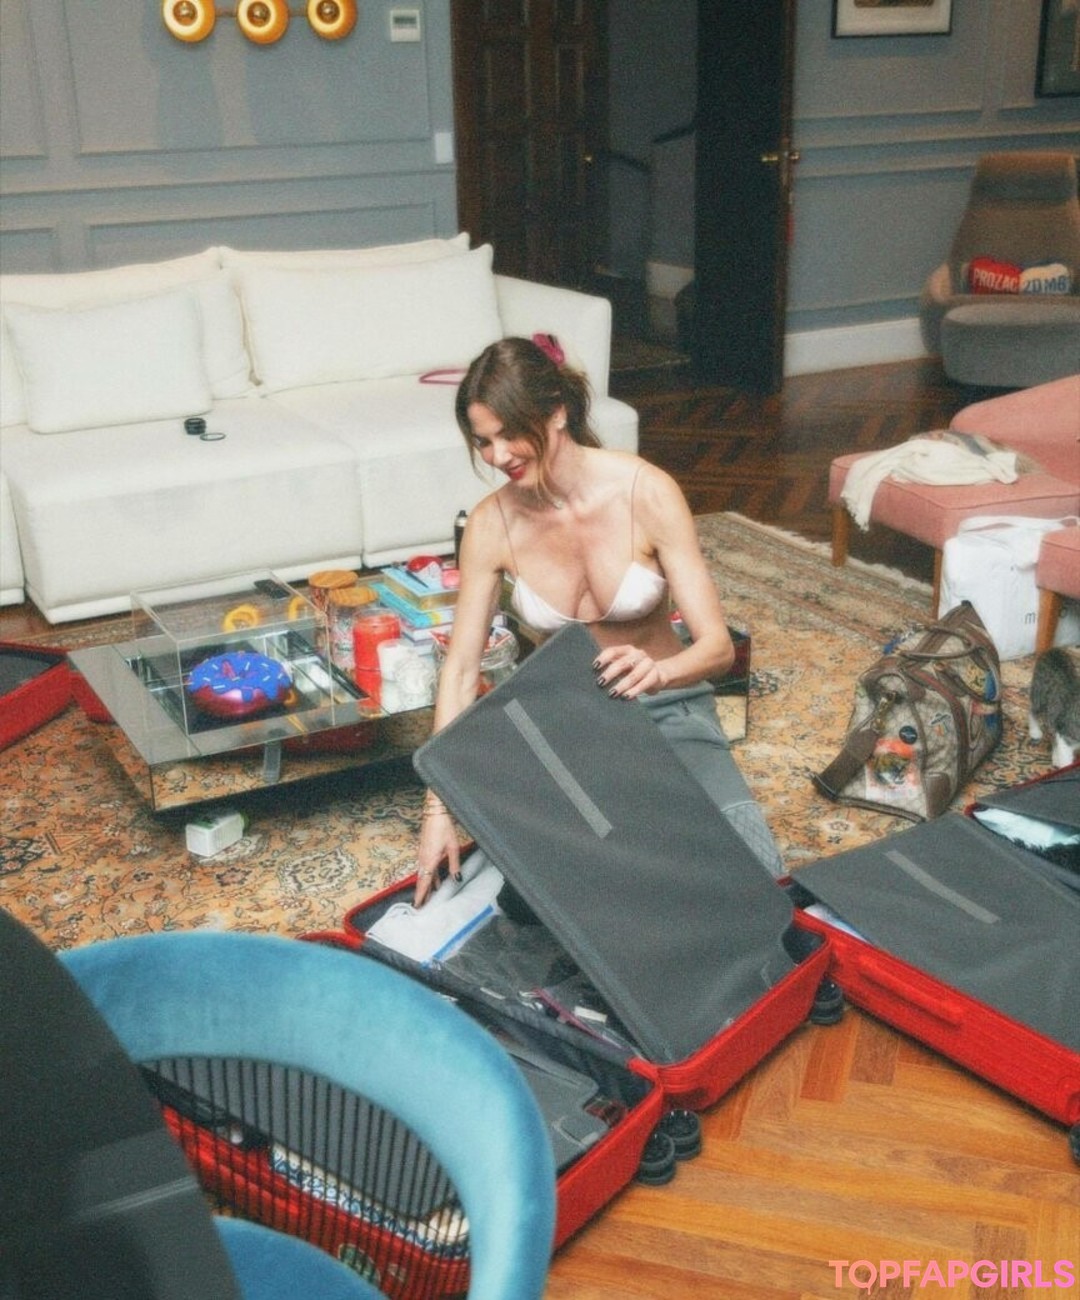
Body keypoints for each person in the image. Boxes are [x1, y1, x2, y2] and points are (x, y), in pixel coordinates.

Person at [414, 336, 782, 904]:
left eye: (510, 433)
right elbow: (461, 670)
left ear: (556, 411)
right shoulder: (490, 525)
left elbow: (717, 648)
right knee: (546, 904)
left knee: (758, 876)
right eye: (483, 441)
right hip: (568, 726)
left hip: (669, 710)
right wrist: (438, 809)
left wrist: (659, 673)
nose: (498, 455)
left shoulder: (647, 491)